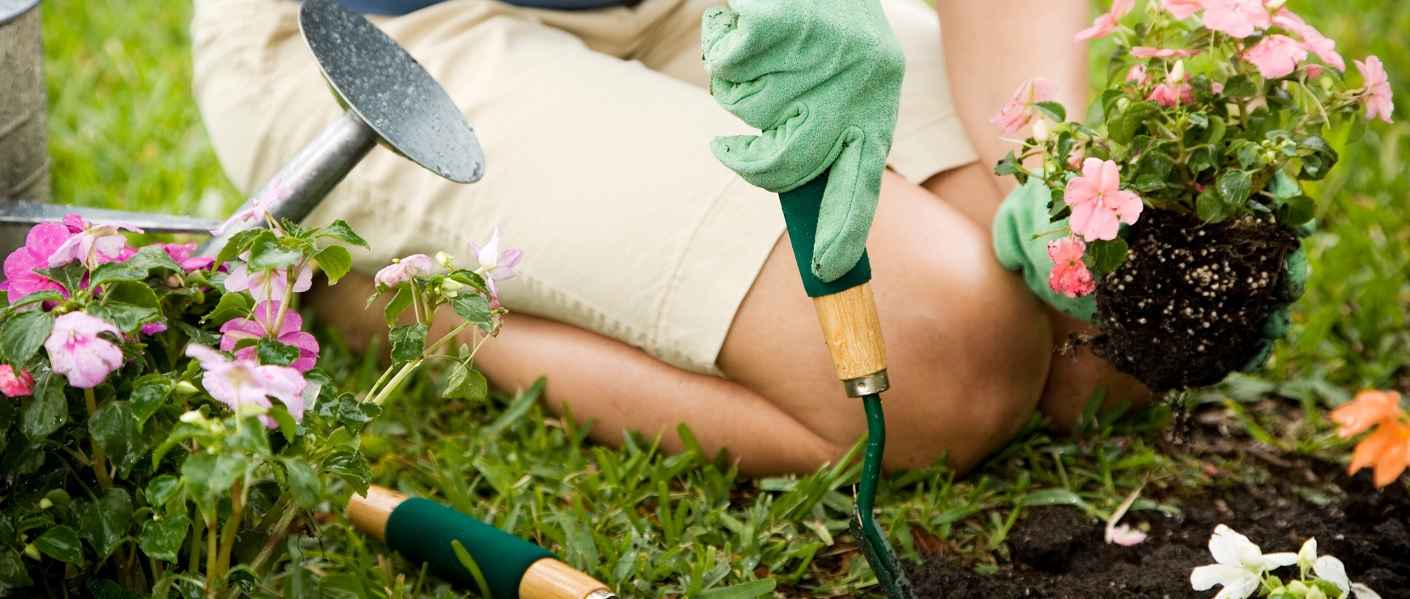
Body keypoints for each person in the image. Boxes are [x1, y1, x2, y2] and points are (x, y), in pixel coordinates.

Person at [191, 0, 1150, 477]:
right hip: (387, 34)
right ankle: (409, 309)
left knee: (1100, 354)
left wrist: (1055, 173)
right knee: (941, 372)